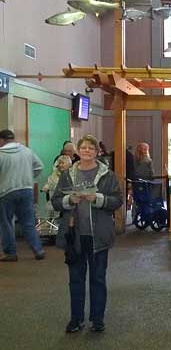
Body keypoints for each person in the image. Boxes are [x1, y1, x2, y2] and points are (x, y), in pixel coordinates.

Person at [52, 134, 123, 333]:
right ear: (78, 151)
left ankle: (97, 319)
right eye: (83, 148)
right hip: (74, 236)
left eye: (91, 148)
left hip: (98, 236)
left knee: (98, 279)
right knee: (75, 279)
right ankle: (76, 319)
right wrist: (69, 201)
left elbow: (117, 200)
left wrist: (98, 199)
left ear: (97, 152)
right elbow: (56, 201)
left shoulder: (107, 175)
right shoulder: (67, 175)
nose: (87, 151)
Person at [0, 129, 45, 261]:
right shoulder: (26, 151)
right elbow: (39, 167)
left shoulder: (1, 155)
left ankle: (11, 253)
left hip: (6, 192)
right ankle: (38, 249)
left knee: (6, 223)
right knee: (28, 222)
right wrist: (29, 178)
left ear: (2, 140)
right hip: (26, 190)